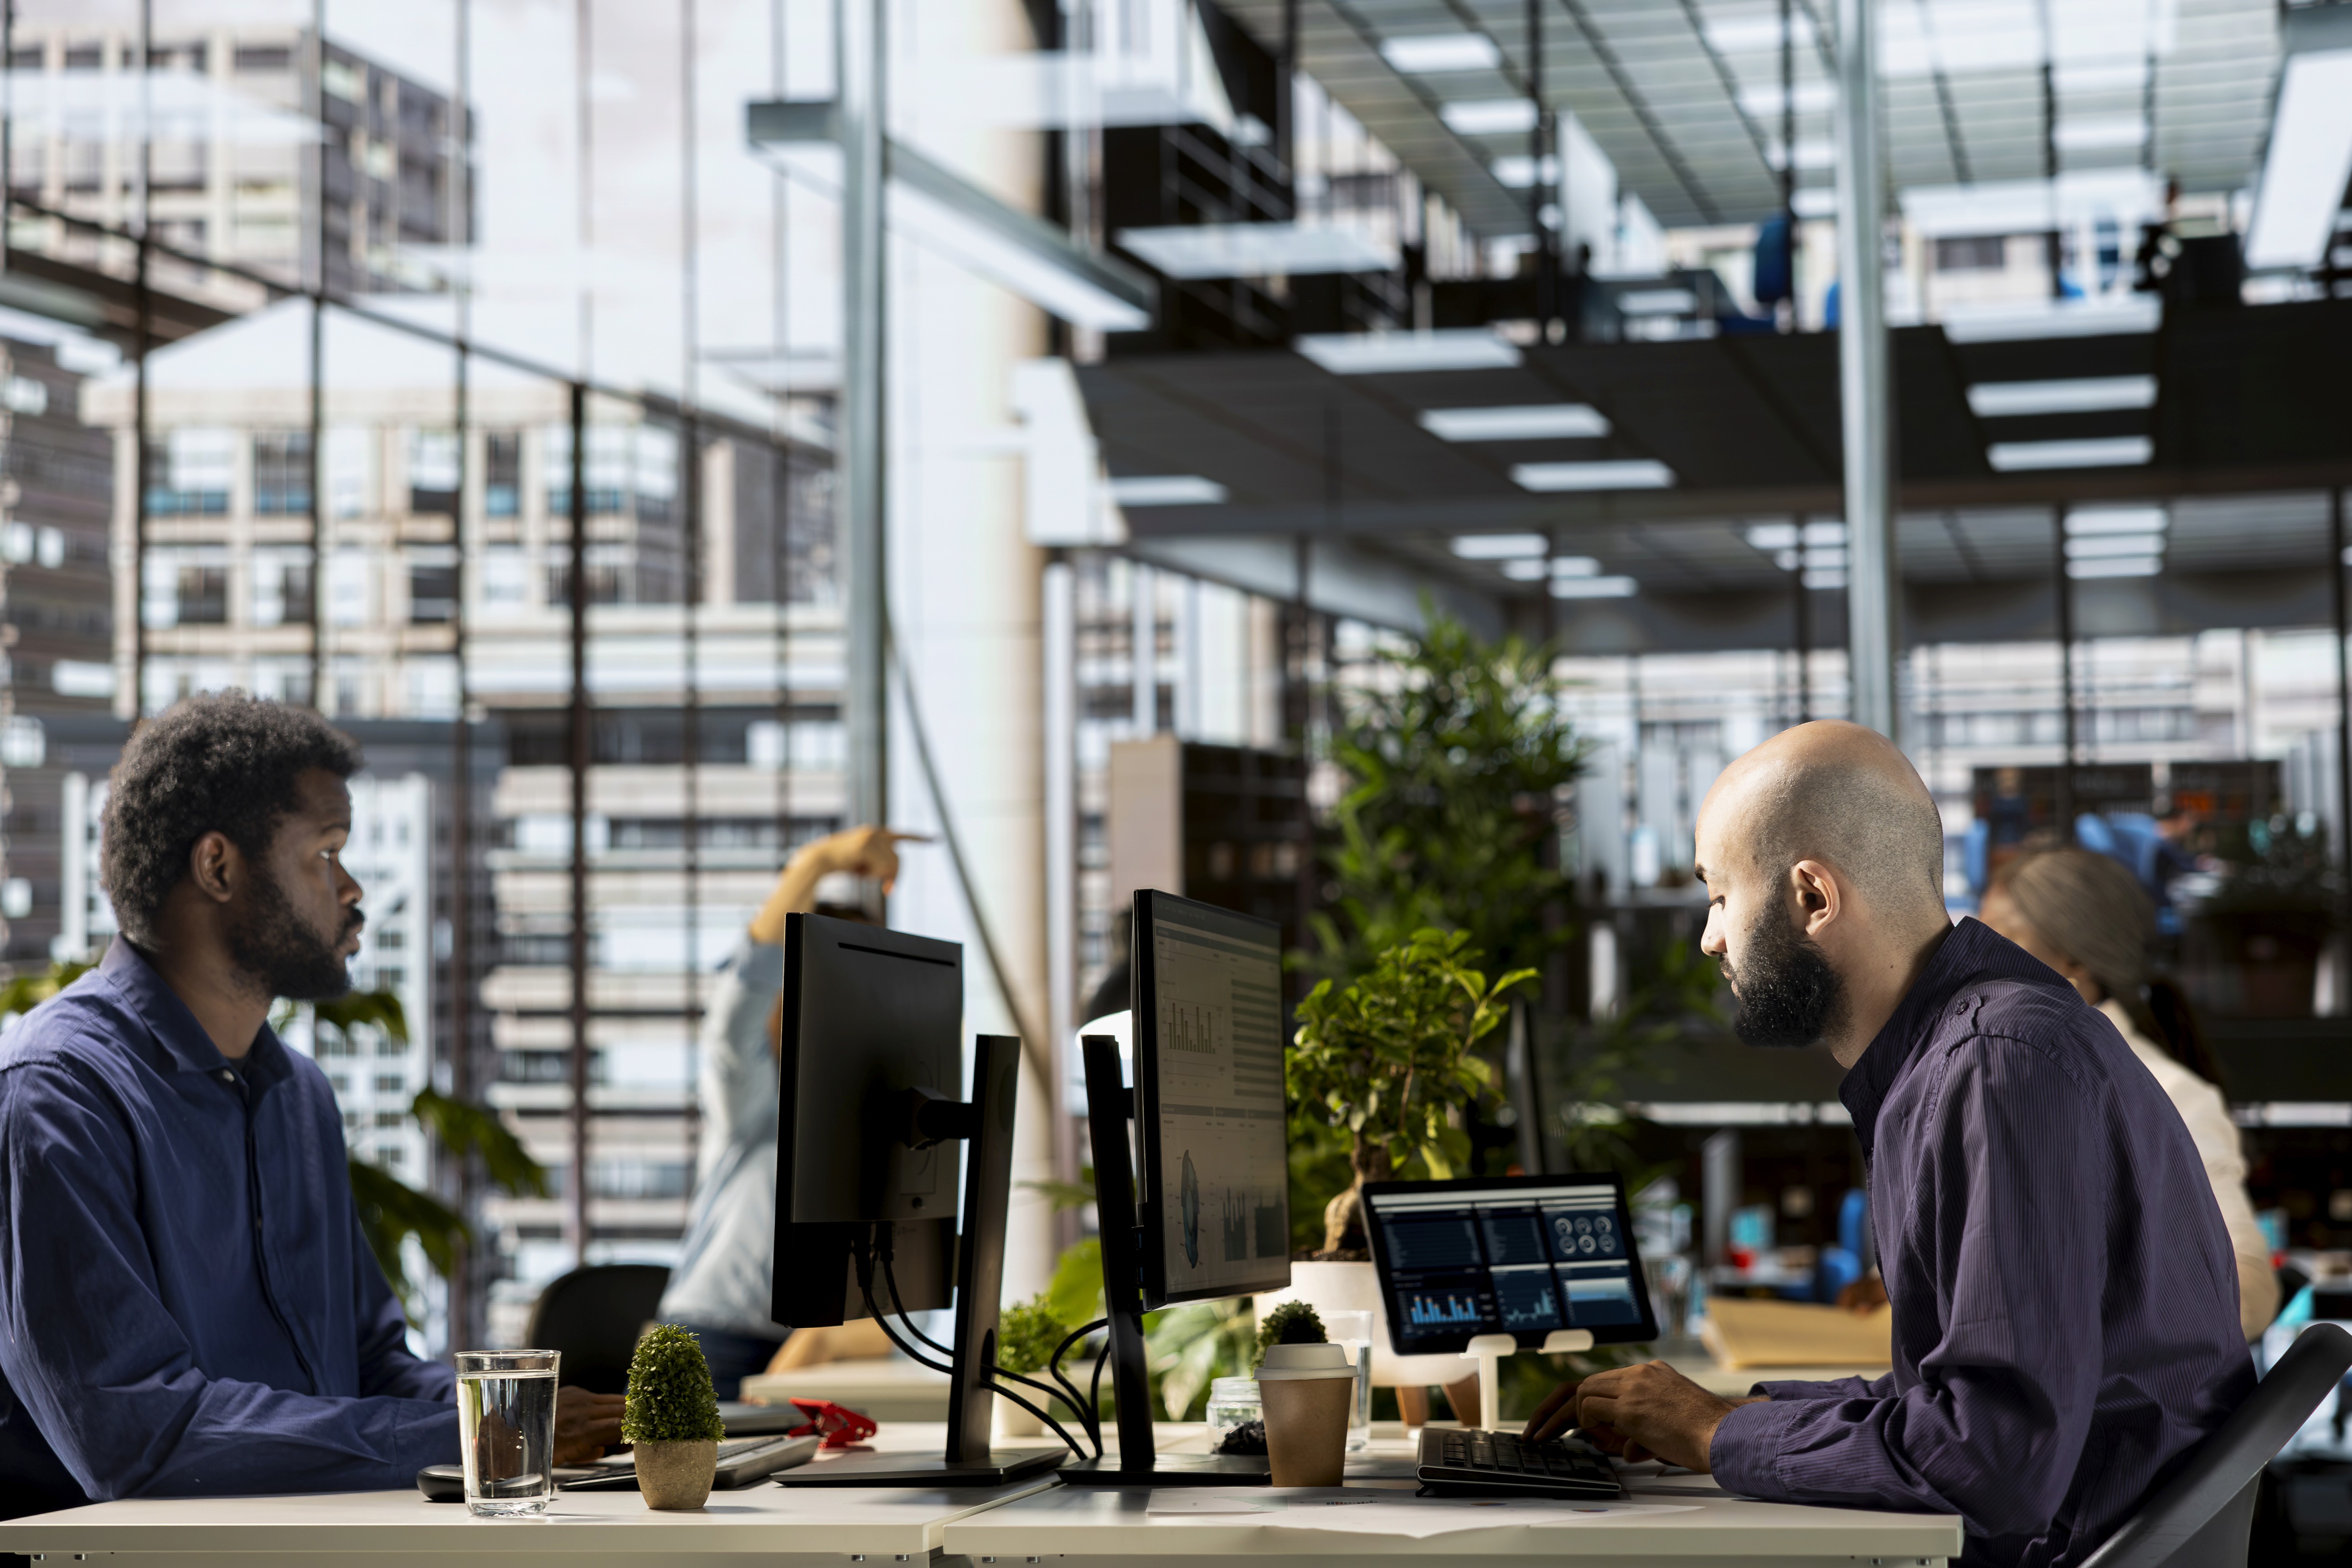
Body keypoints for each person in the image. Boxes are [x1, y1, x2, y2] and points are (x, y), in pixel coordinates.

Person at [1526, 721, 2252, 1568]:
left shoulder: (1996, 1067)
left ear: (1812, 898)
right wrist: (1719, 1414)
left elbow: (1993, 1457)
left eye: (1721, 895)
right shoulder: (1962, 1057)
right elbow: (1950, 1404)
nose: (1709, 938)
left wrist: (1720, 1431)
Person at [0, 694, 622, 1520]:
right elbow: (136, 1436)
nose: (353, 888)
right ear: (218, 867)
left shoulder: (298, 1095)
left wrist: (523, 1418)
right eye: (325, 854)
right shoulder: (56, 1094)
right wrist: (479, 1439)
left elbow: (371, 1370)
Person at [658, 825, 919, 1398]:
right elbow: (741, 1001)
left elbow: (906, 1301)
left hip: (828, 1351)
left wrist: (826, 1342)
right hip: (714, 1343)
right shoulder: (755, 1095)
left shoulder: (892, 1120)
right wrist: (819, 863)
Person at [1979, 848, 2277, 1339]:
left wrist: (2081, 1326)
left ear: (2074, 959)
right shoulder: (1998, 1079)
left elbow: (2248, 1291)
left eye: (2004, 940)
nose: (1982, 966)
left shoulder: (2170, 1095)